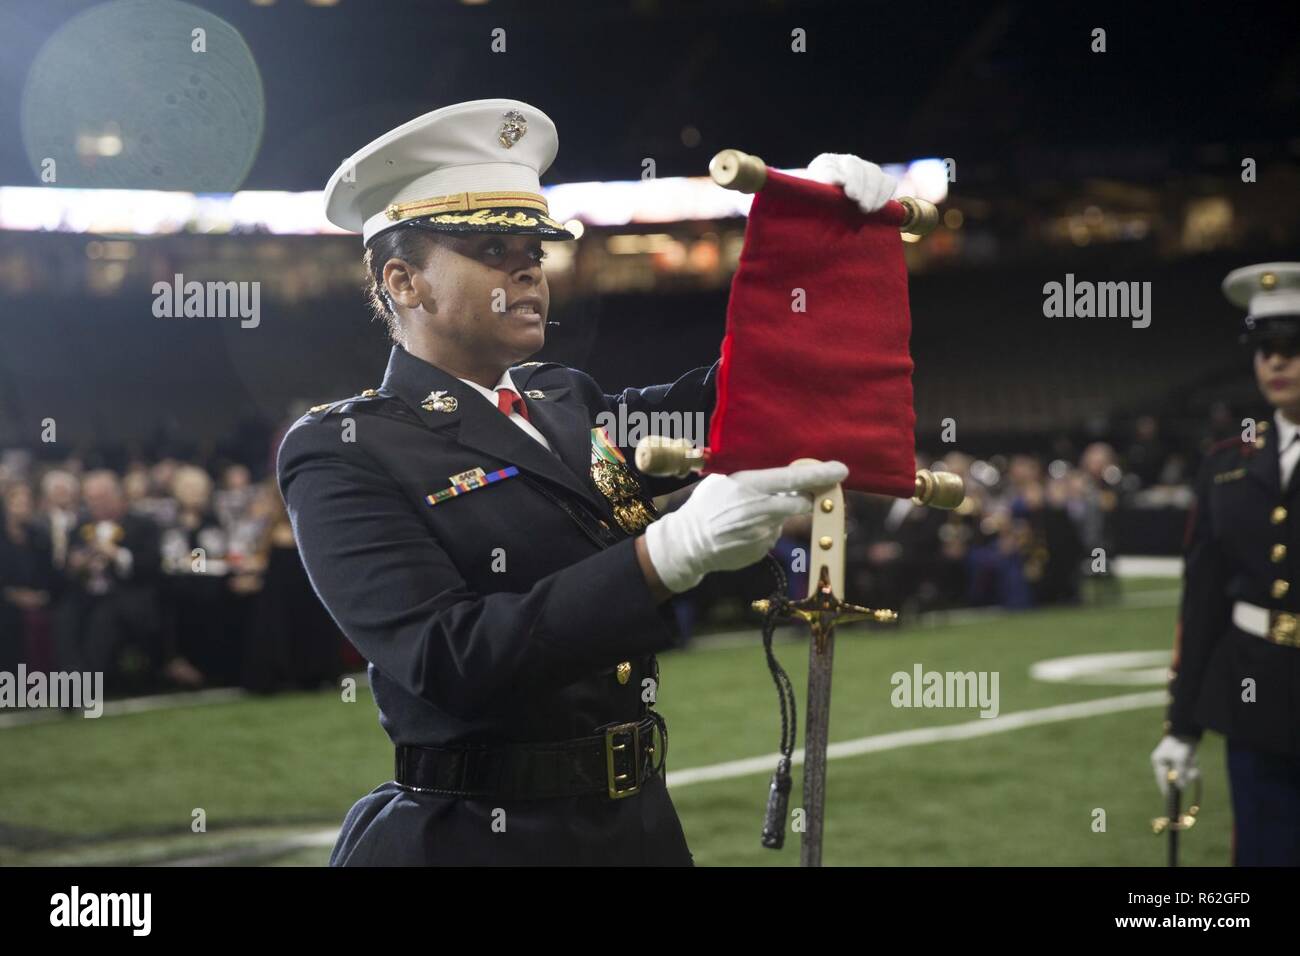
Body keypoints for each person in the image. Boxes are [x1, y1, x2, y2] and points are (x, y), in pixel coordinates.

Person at [279, 98, 894, 865]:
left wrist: (818, 245)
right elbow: (450, 659)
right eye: (493, 248)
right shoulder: (345, 446)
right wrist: (663, 557)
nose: (529, 268)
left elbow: (750, 396)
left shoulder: (564, 400)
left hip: (636, 828)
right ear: (404, 282)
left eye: (533, 247)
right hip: (480, 837)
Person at [1152, 262, 1300, 866]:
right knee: (1264, 855)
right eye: (1265, 348)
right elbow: (1204, 599)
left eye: (1293, 346)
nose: (1276, 362)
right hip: (1257, 691)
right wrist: (1181, 725)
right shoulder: (1227, 464)